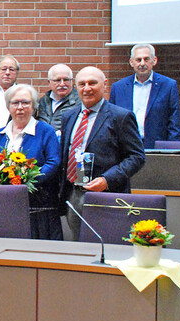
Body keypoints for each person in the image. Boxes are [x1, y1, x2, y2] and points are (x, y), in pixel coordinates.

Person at [60, 66, 145, 239]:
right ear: (76, 87)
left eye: (92, 83)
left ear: (105, 85)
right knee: (79, 245)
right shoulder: (68, 116)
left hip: (107, 194)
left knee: (108, 247)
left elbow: (137, 156)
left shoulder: (120, 116)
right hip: (75, 192)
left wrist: (107, 180)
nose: (87, 88)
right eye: (82, 84)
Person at [0, 84, 62, 240]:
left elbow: (53, 162)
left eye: (25, 102)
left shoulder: (45, 131)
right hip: (5, 202)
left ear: (33, 106)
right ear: (8, 107)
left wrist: (27, 180)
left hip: (39, 203)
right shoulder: (0, 134)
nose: (20, 107)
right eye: (15, 103)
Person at [108, 43, 180, 148]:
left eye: (146, 59)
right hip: (125, 148)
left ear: (154, 60)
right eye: (138, 60)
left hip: (156, 148)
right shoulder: (118, 88)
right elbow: (111, 121)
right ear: (131, 62)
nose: (142, 63)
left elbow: (174, 123)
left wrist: (173, 150)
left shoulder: (168, 86)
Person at [36, 64, 80, 132]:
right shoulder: (43, 101)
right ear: (49, 82)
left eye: (66, 80)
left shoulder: (80, 102)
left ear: (72, 81)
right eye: (57, 80)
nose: (62, 84)